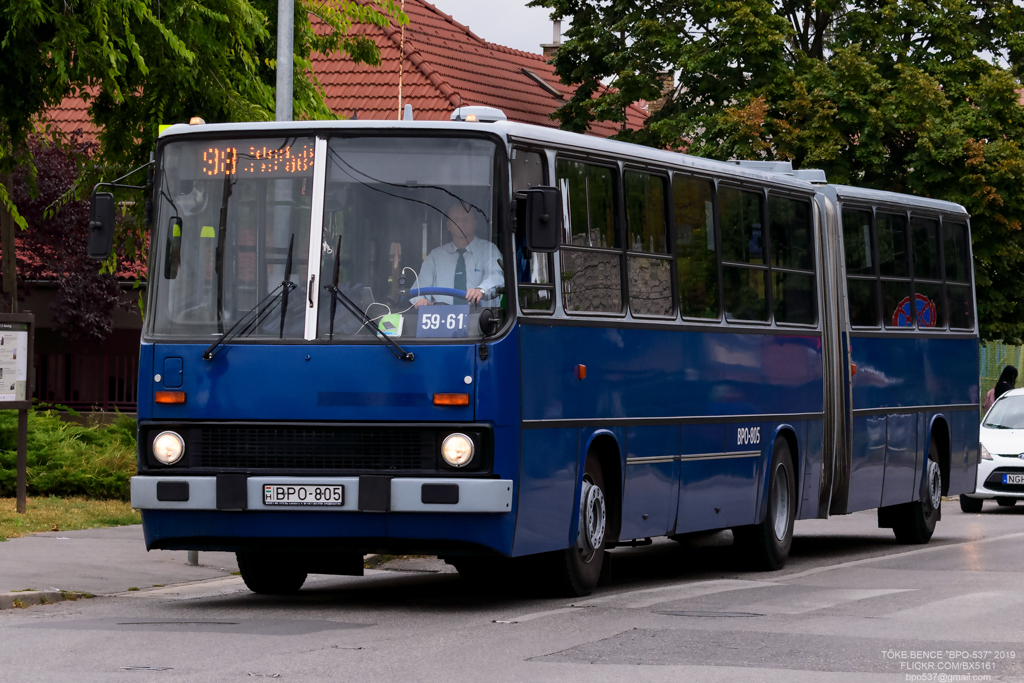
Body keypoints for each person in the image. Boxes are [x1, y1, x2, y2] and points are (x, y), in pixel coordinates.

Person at [413, 201, 503, 306]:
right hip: (441, 319)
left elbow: (497, 278)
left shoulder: (488, 250)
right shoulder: (435, 256)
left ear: (474, 224)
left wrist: (481, 290)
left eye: (465, 219)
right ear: (448, 226)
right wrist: (421, 301)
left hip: (481, 319)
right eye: (455, 220)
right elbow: (419, 290)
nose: (460, 223)